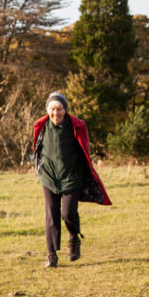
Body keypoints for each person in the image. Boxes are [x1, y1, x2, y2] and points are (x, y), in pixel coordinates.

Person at [33, 92, 111, 267]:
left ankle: (74, 237)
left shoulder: (77, 125)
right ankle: (51, 255)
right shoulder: (41, 126)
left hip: (72, 177)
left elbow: (84, 150)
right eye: (52, 109)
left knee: (68, 213)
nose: (55, 113)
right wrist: (40, 171)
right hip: (49, 177)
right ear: (47, 110)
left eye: (59, 109)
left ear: (65, 110)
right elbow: (37, 149)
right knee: (51, 215)